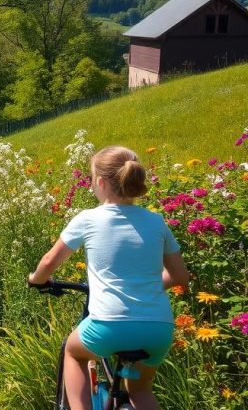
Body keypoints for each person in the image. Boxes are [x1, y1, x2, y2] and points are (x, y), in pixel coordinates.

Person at [28, 146, 190, 410]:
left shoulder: (88, 219)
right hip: (158, 328)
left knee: (73, 352)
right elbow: (180, 276)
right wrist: (147, 287)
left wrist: (36, 278)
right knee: (140, 392)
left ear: (101, 182)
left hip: (109, 325)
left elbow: (49, 262)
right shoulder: (156, 221)